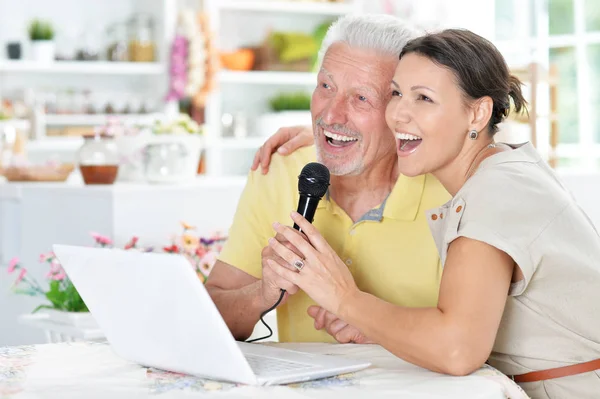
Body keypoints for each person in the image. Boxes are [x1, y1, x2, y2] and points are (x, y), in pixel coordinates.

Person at [262, 28, 600, 398]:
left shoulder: (495, 193)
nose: (398, 115)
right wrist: (332, 133)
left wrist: (344, 297)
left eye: (423, 98)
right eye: (396, 94)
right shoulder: (504, 169)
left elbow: (457, 349)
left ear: (478, 113)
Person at [205, 14, 450, 344]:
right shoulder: (281, 168)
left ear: (401, 112)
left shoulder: (450, 189)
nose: (330, 116)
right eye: (326, 87)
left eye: (361, 98)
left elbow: (473, 339)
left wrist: (379, 327)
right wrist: (260, 295)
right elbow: (207, 317)